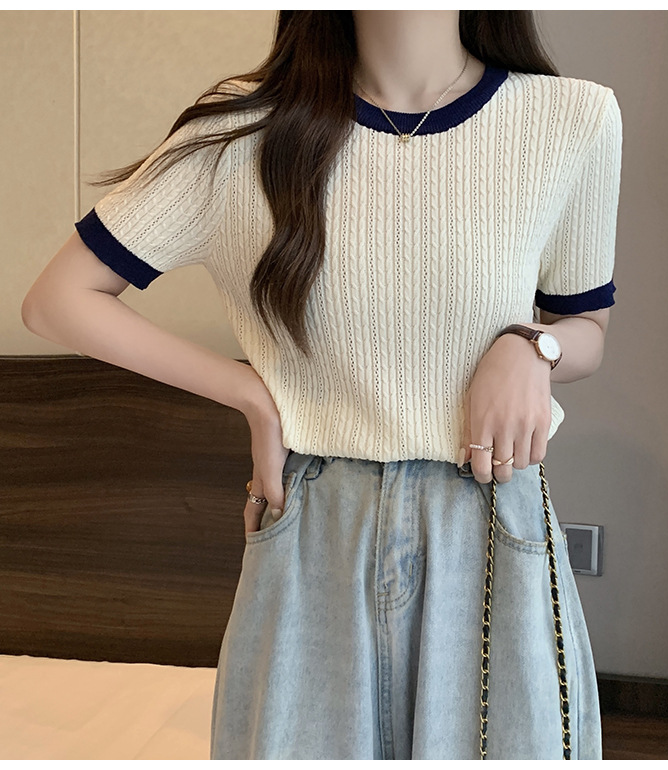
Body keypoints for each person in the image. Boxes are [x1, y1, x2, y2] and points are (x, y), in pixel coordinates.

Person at [21, 10, 622, 760]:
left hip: (492, 516)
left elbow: (583, 327)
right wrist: (249, 393)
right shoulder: (243, 131)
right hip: (314, 522)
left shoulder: (572, 118)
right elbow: (57, 301)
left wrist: (532, 346)